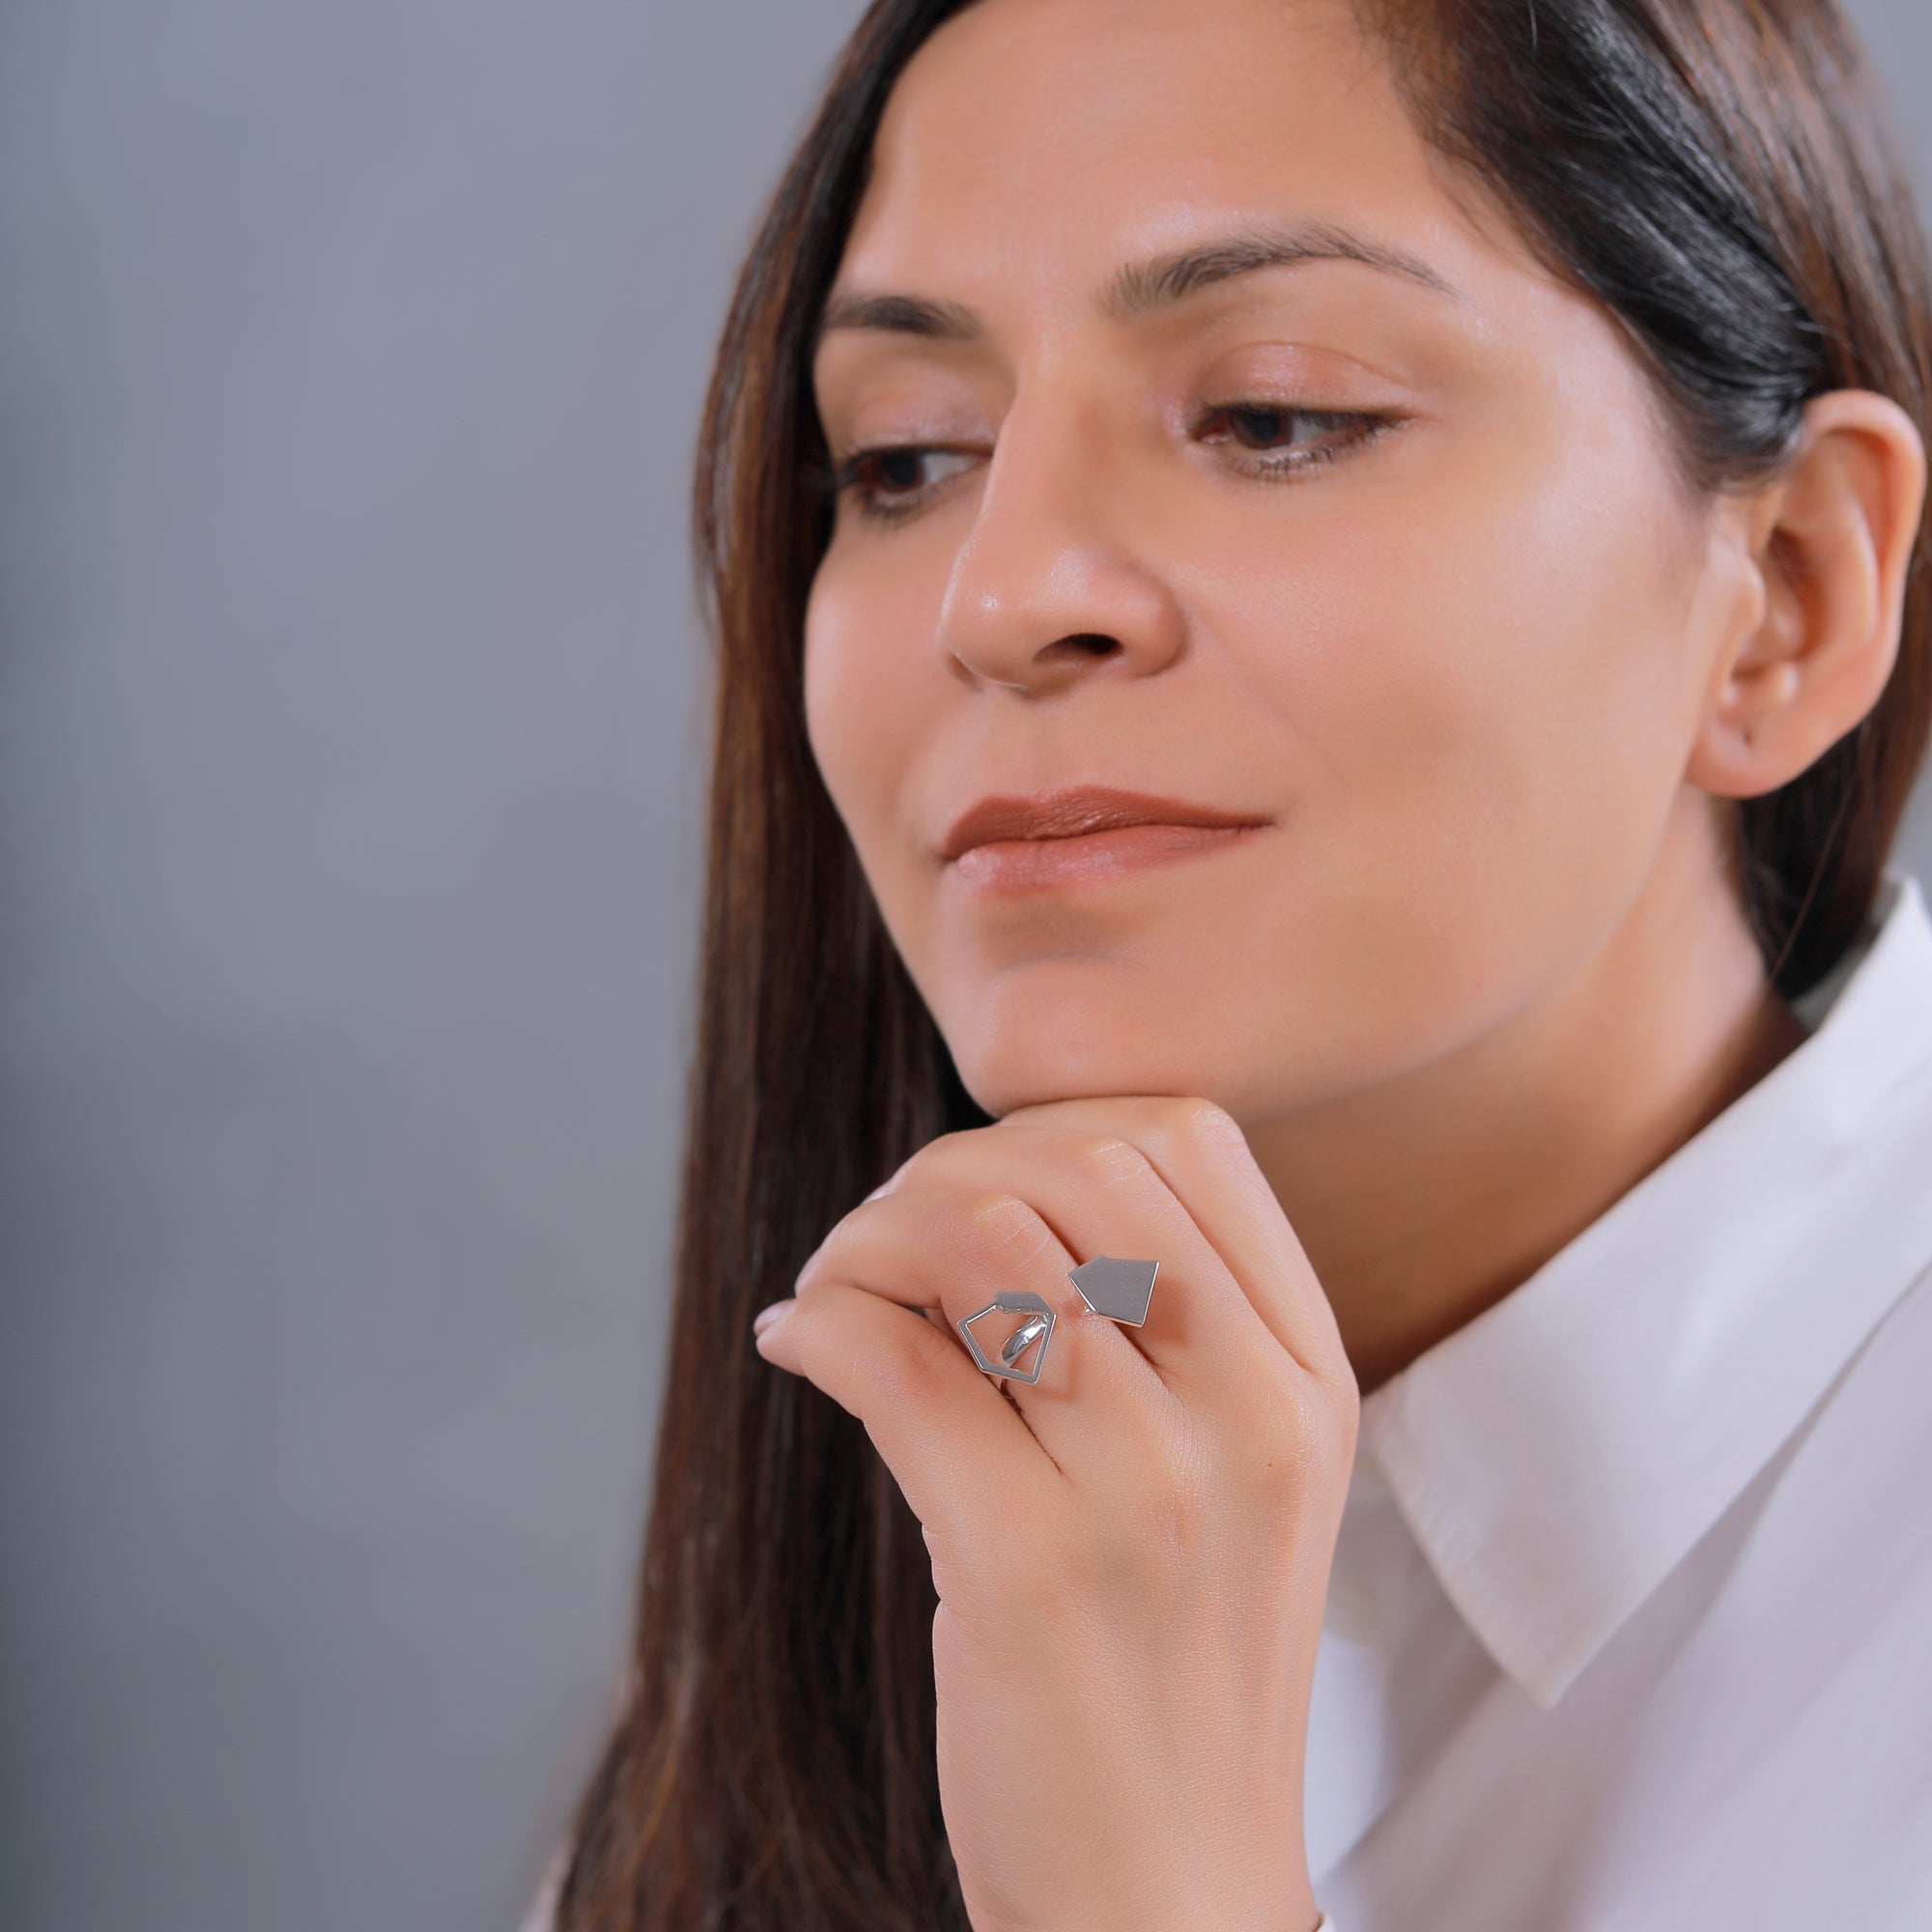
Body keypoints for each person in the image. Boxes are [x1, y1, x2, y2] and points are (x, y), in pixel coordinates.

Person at [534, 0, 1932, 1925]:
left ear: (1784, 593)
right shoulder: (907, 1539)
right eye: (905, 459)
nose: (1003, 594)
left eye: (1274, 414)